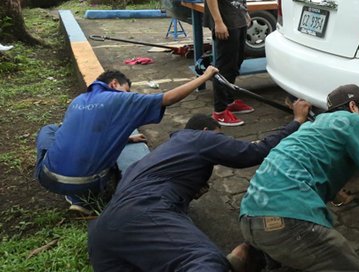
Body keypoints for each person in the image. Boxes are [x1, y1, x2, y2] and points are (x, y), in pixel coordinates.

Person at [88, 100, 311, 272]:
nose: (222, 142)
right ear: (206, 132)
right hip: (143, 213)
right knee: (204, 261)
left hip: (102, 232)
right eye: (220, 138)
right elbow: (256, 151)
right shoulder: (199, 139)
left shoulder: (159, 155)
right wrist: (297, 121)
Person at [238, 84, 359, 271]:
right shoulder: (354, 121)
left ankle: (243, 257)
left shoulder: (312, 127)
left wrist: (336, 194)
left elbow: (309, 165)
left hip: (249, 216)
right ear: (353, 107)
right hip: (288, 220)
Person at [35, 67, 219, 214]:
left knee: (50, 130)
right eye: (127, 90)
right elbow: (169, 98)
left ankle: (75, 197)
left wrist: (126, 138)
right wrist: (205, 76)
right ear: (114, 84)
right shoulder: (122, 100)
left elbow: (92, 132)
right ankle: (84, 196)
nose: (129, 94)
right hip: (90, 182)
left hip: (49, 178)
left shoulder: (78, 100)